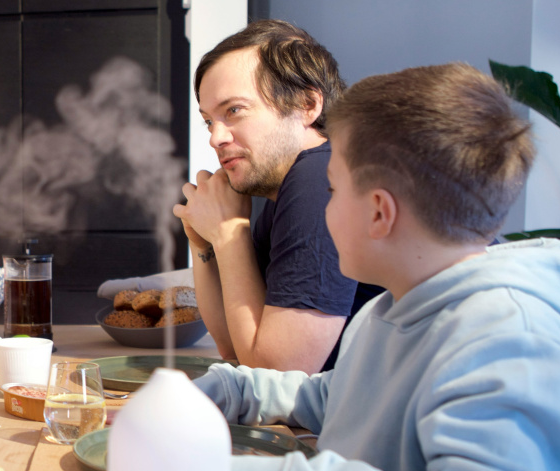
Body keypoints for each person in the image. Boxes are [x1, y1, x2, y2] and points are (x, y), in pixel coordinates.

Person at [194, 62, 560, 471]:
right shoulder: (389, 308)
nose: (321, 208)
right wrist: (232, 389)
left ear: (378, 212)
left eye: (331, 190)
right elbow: (336, 400)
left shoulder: (508, 338)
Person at [103, 20, 375, 374]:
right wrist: (204, 242)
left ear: (308, 104)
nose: (215, 138)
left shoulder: (318, 179)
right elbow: (232, 345)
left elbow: (277, 374)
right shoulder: (287, 189)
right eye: (208, 121)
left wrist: (229, 233)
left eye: (234, 111)